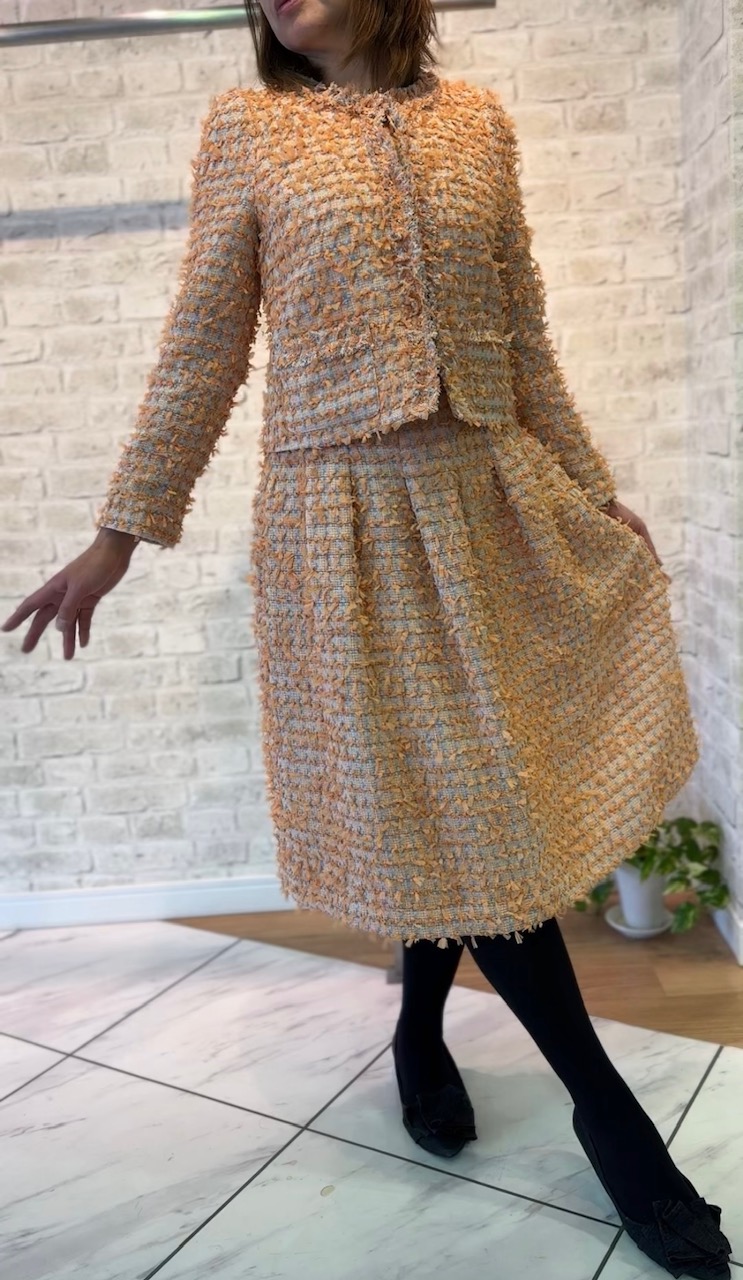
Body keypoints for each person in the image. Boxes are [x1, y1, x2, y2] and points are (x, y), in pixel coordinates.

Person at [1, 2, 732, 1275]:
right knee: (435, 802)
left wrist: (588, 480)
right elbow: (203, 342)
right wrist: (119, 534)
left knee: (465, 807)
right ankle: (607, 1114)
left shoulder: (476, 124)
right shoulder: (248, 131)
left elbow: (521, 332)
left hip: (486, 501)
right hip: (340, 520)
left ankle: (415, 1026)